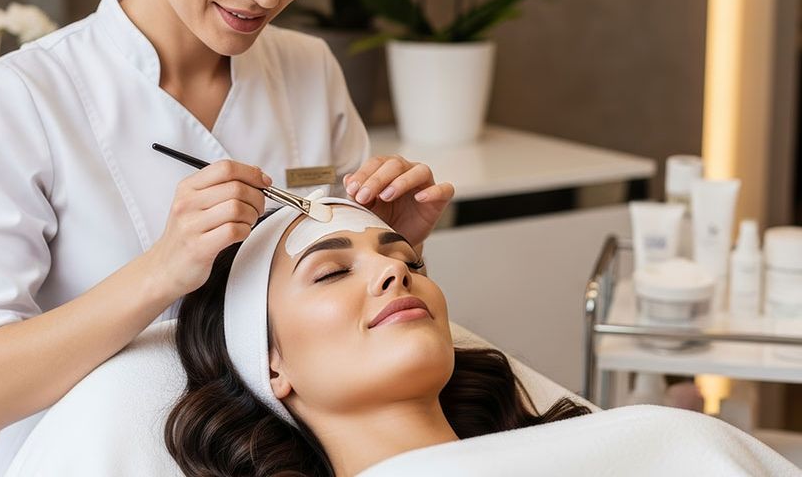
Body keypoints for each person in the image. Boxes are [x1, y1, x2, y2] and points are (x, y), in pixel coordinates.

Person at [0, 0, 454, 474]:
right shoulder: (27, 94)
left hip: (282, 459)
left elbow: (338, 333)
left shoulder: (309, 69)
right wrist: (162, 271)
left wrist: (390, 243)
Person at [165, 199, 798, 477]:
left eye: (410, 261)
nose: (395, 271)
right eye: (331, 272)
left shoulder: (638, 440)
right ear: (270, 364)